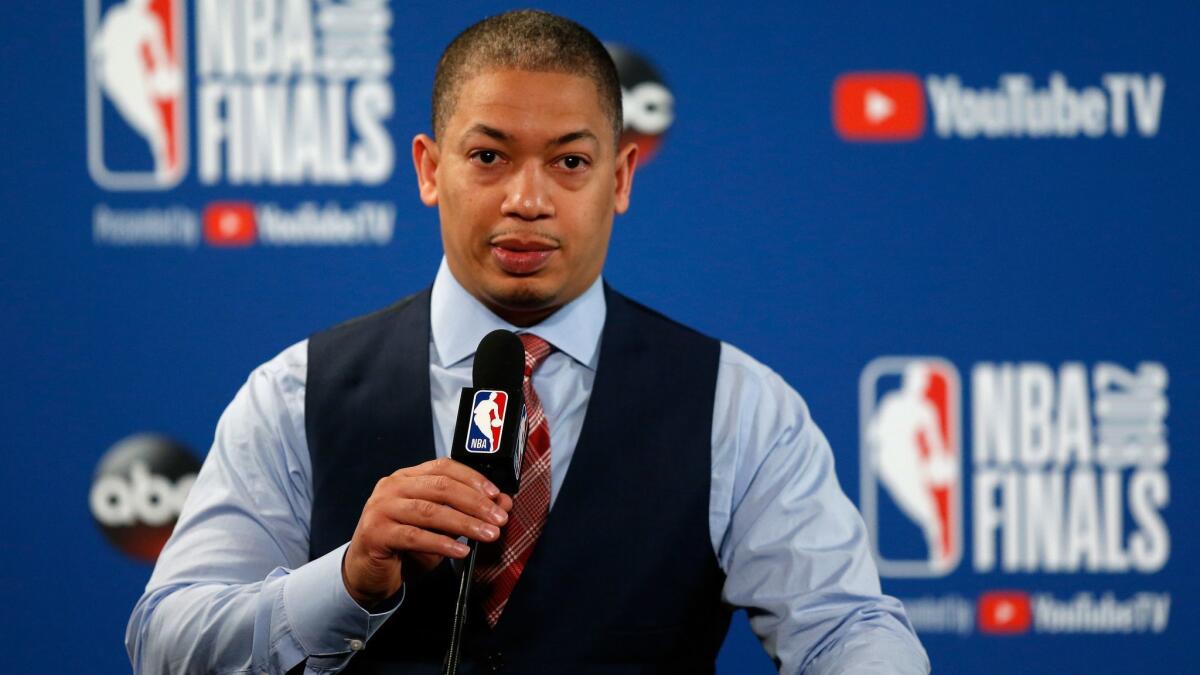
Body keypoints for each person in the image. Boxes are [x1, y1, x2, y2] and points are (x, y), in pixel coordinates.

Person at [127, 10, 929, 675]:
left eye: (570, 162)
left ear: (620, 179)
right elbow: (167, 640)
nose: (528, 198)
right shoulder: (295, 392)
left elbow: (845, 629)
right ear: (430, 169)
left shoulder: (738, 405)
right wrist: (345, 580)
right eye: (489, 156)